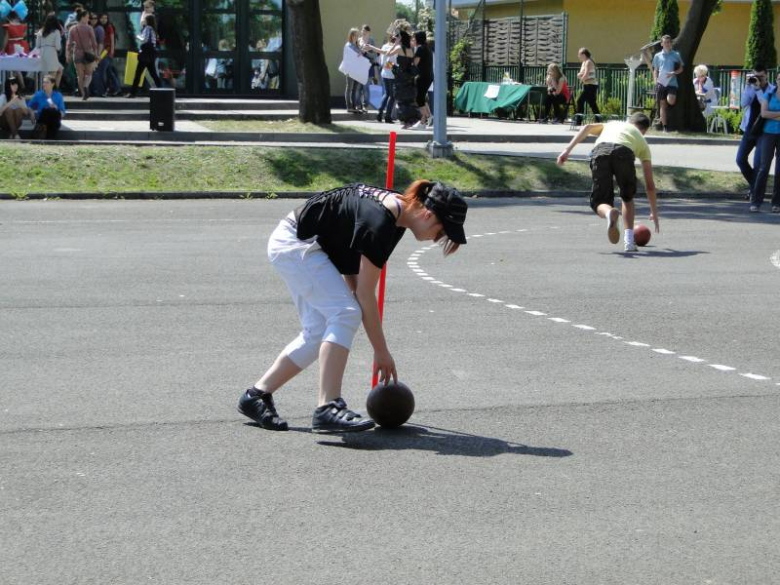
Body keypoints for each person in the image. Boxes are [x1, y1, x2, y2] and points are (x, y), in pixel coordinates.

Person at [237, 180, 468, 433]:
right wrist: (381, 352)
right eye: (441, 232)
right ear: (428, 213)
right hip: (297, 243)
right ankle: (328, 406)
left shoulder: (397, 215)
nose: (438, 240)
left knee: (320, 331)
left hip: (302, 243)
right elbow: (365, 293)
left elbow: (353, 268)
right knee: (345, 313)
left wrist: (352, 306)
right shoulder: (380, 221)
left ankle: (256, 396)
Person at [557, 112, 660, 253]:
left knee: (599, 201)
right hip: (625, 153)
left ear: (629, 121)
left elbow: (587, 127)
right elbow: (649, 185)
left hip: (601, 151)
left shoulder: (612, 124)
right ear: (644, 131)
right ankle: (629, 242)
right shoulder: (641, 141)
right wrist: (654, 212)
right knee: (627, 198)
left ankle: (609, 213)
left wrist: (566, 151)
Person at [736, 65, 775, 201]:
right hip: (750, 128)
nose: (758, 79)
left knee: (758, 164)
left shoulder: (772, 90)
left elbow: (764, 104)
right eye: (755, 76)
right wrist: (749, 88)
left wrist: (758, 89)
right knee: (740, 159)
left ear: (766, 76)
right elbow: (743, 103)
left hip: (764, 131)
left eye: (761, 77)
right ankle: (756, 187)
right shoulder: (751, 86)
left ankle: (755, 192)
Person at [750, 72, 780, 213]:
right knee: (764, 168)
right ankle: (756, 201)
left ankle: (776, 203)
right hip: (768, 133)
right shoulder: (769, 94)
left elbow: (769, 113)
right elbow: (764, 113)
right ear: (777, 80)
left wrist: (772, 114)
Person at [652, 35, 684, 132]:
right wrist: (655, 81)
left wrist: (673, 73)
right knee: (662, 105)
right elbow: (655, 70)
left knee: (671, 101)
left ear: (671, 43)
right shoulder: (657, 56)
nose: (667, 44)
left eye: (669, 42)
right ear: (662, 44)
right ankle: (665, 127)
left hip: (672, 83)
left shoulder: (676, 54)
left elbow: (681, 68)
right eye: (665, 42)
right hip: (661, 83)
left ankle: (668, 117)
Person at [126, 15, 162, 97]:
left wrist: (138, 36)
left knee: (138, 73)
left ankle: (132, 92)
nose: (142, 21)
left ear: (147, 21)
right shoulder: (153, 29)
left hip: (145, 53)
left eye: (144, 20)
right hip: (151, 53)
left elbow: (144, 39)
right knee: (153, 73)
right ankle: (161, 89)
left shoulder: (148, 28)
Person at [66, 9, 98, 101]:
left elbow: (69, 43)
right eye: (87, 17)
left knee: (80, 75)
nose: (88, 19)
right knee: (89, 74)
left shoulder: (72, 28)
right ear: (82, 17)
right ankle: (86, 86)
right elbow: (94, 42)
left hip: (77, 53)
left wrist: (67, 54)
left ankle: (83, 94)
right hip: (88, 53)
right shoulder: (89, 28)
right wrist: (96, 54)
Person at [27, 74, 66, 139]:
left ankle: (49, 137)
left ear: (52, 84)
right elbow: (29, 106)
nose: (44, 84)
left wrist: (56, 108)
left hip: (54, 118)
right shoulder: (39, 94)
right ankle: (50, 138)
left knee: (53, 112)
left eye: (47, 82)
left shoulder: (58, 95)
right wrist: (31, 113)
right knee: (46, 110)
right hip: (43, 119)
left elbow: (62, 112)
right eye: (44, 82)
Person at [411, 30, 433, 129]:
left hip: (422, 76)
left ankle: (428, 117)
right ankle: (423, 122)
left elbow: (415, 63)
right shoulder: (427, 48)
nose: (413, 39)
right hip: (428, 76)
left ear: (418, 39)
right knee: (422, 99)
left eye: (414, 38)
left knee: (419, 99)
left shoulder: (420, 49)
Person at [35, 14, 63, 89]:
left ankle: (52, 90)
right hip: (51, 53)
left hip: (42, 53)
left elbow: (37, 45)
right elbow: (58, 47)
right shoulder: (56, 32)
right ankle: (54, 91)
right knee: (53, 75)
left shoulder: (41, 31)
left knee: (46, 75)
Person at [574, 48, 600, 126]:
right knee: (592, 103)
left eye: (579, 54)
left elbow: (585, 74)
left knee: (580, 101)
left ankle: (578, 121)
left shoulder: (588, 61)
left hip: (591, 85)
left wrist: (581, 79)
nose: (578, 56)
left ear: (584, 54)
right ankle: (599, 120)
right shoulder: (584, 62)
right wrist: (580, 75)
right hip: (587, 85)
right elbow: (582, 74)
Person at [97, 14, 122, 96]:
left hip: (107, 51)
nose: (104, 20)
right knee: (109, 71)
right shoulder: (100, 27)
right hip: (102, 51)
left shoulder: (109, 27)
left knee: (104, 70)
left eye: (105, 18)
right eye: (102, 18)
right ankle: (116, 88)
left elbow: (112, 39)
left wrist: (111, 52)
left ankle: (108, 88)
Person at [341, 28, 365, 114]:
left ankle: (355, 106)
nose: (357, 37)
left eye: (358, 35)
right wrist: (361, 51)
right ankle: (349, 106)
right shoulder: (348, 45)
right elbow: (352, 57)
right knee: (349, 88)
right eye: (355, 35)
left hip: (356, 70)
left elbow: (360, 57)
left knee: (355, 89)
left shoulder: (356, 45)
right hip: (350, 70)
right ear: (351, 36)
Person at [358, 24, 379, 111]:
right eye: (363, 30)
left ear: (369, 32)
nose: (364, 32)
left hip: (369, 65)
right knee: (359, 86)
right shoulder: (358, 40)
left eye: (366, 31)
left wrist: (366, 53)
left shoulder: (371, 41)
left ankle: (365, 105)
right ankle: (358, 105)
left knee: (366, 86)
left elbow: (374, 54)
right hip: (359, 66)